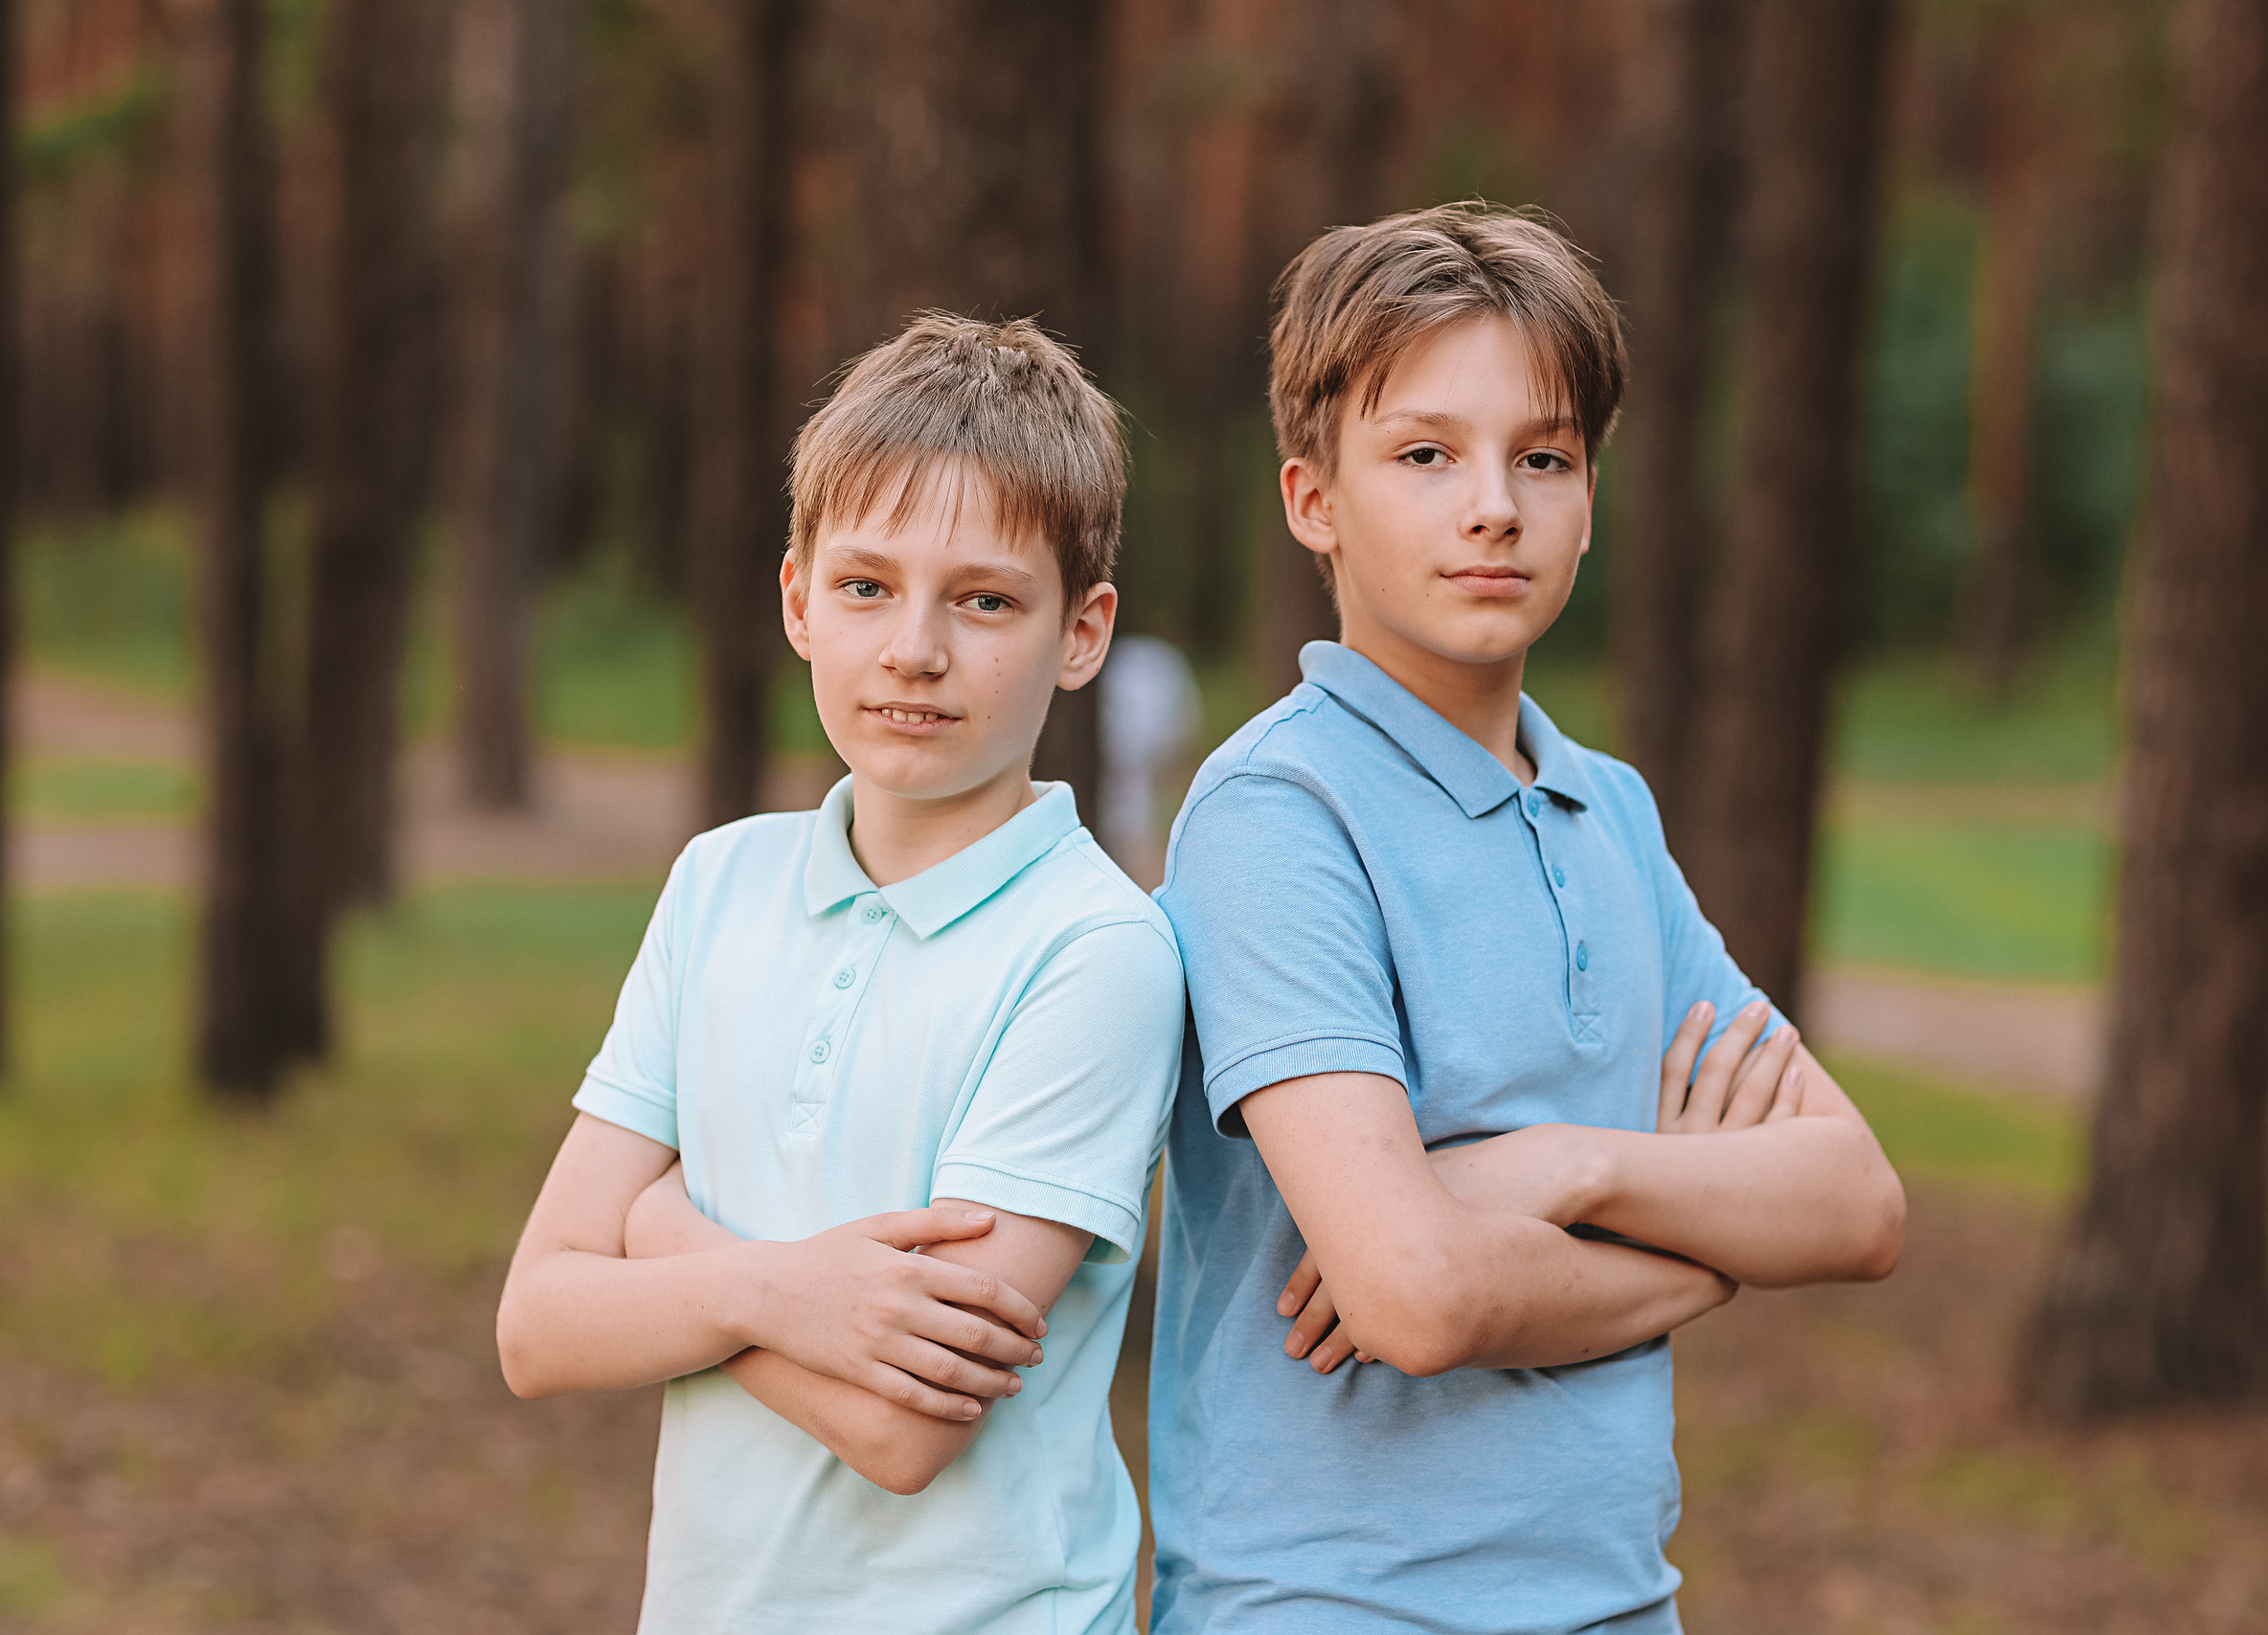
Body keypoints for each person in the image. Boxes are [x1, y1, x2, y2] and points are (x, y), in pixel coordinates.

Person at [1148, 203, 1908, 1634]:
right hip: (1333, 1607)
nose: (1492, 503)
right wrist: (1706, 1249)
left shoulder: (1606, 810)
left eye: (1542, 457)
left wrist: (1561, 1168)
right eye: (1426, 454)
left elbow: (1855, 1204)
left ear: (1588, 501)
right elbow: (1419, 1296)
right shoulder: (1278, 815)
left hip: (1622, 1606)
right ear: (1315, 500)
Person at [496, 313, 1184, 1635]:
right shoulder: (721, 885)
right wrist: (770, 1286)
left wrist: (658, 1232)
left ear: (1082, 632)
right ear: (800, 600)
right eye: (868, 587)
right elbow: (537, 1324)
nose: (914, 649)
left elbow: (900, 1427)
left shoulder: (1096, 950)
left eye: (984, 600)